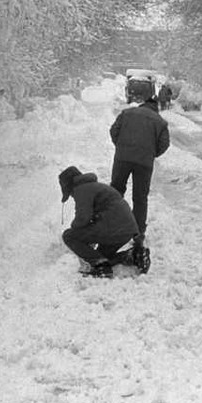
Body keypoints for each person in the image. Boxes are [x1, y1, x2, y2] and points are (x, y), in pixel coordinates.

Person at [109, 95, 170, 263]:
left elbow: (114, 131)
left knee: (115, 191)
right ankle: (138, 233)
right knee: (140, 198)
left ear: (143, 104)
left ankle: (110, 223)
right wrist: (151, 152)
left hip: (122, 158)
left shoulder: (127, 113)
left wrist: (121, 146)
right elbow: (164, 144)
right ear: (155, 108)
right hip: (144, 162)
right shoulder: (160, 122)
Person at [58, 165, 144, 277]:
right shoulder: (94, 187)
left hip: (114, 227)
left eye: (69, 193)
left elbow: (83, 218)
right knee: (100, 255)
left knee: (69, 236)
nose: (72, 196)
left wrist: (80, 235)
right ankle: (131, 256)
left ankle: (100, 266)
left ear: (69, 186)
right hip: (126, 230)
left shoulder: (81, 189)